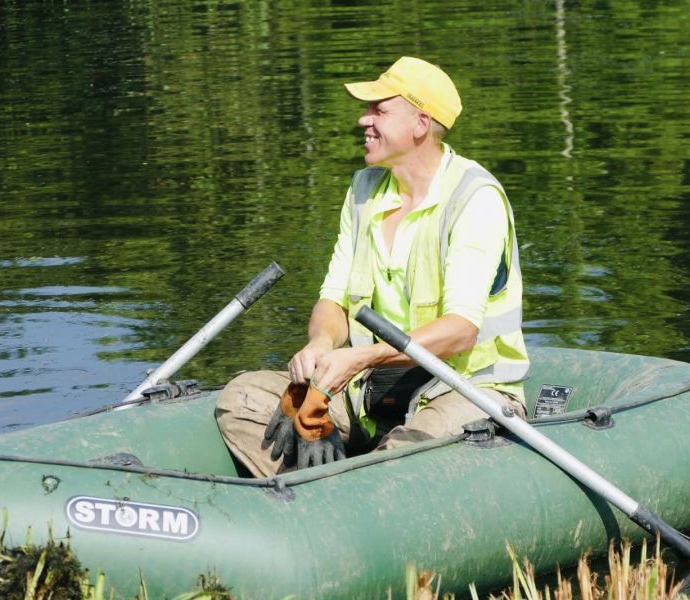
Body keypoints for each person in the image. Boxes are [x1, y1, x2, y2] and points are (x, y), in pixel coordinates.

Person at [216, 56, 530, 478]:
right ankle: (310, 504)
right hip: (369, 390)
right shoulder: (364, 189)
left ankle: (340, 498)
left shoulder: (475, 199)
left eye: (379, 110)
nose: (364, 120)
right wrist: (321, 347)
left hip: (466, 388)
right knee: (242, 398)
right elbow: (334, 299)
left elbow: (461, 330)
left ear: (421, 123)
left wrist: (360, 359)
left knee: (396, 461)